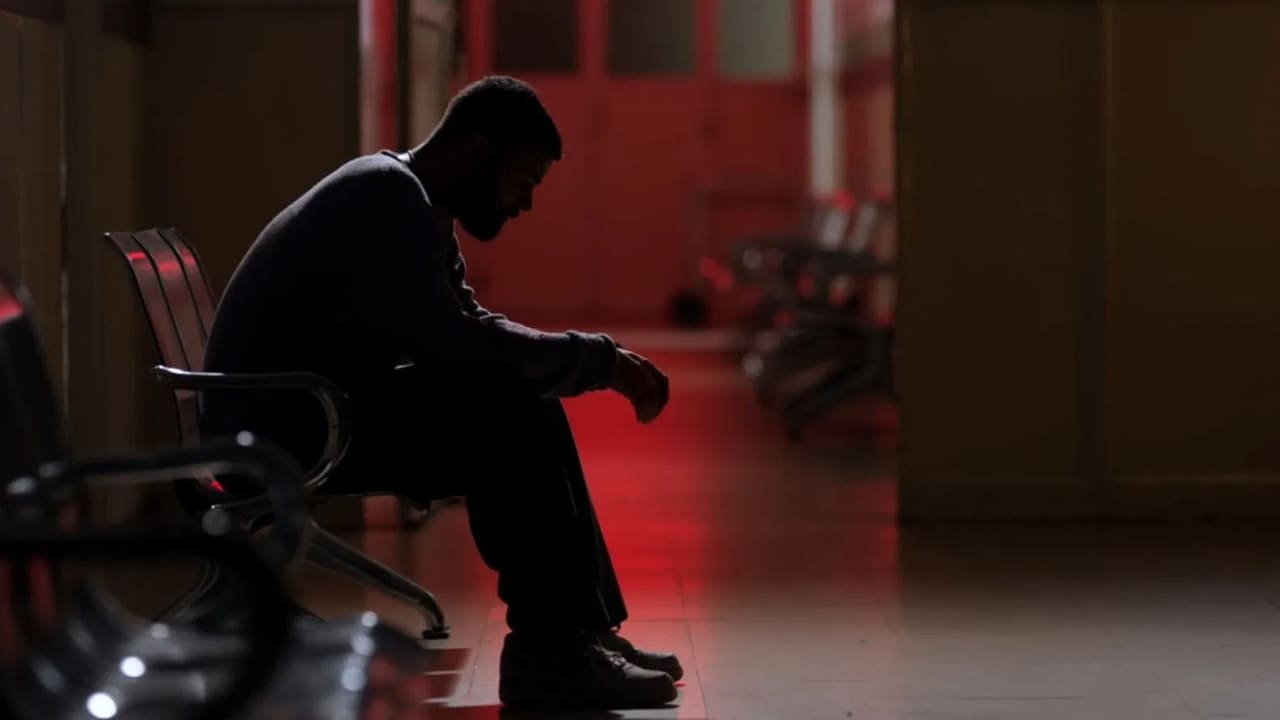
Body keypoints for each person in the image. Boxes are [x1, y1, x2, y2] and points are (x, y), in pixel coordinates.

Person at [199, 76, 681, 708]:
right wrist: (597, 361)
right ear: (477, 151)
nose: (526, 204)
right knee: (509, 412)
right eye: (524, 180)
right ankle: (551, 654)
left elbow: (466, 326)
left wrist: (591, 358)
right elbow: (448, 343)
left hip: (304, 411)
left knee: (523, 395)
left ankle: (581, 633)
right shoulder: (387, 197)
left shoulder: (411, 196)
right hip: (286, 428)